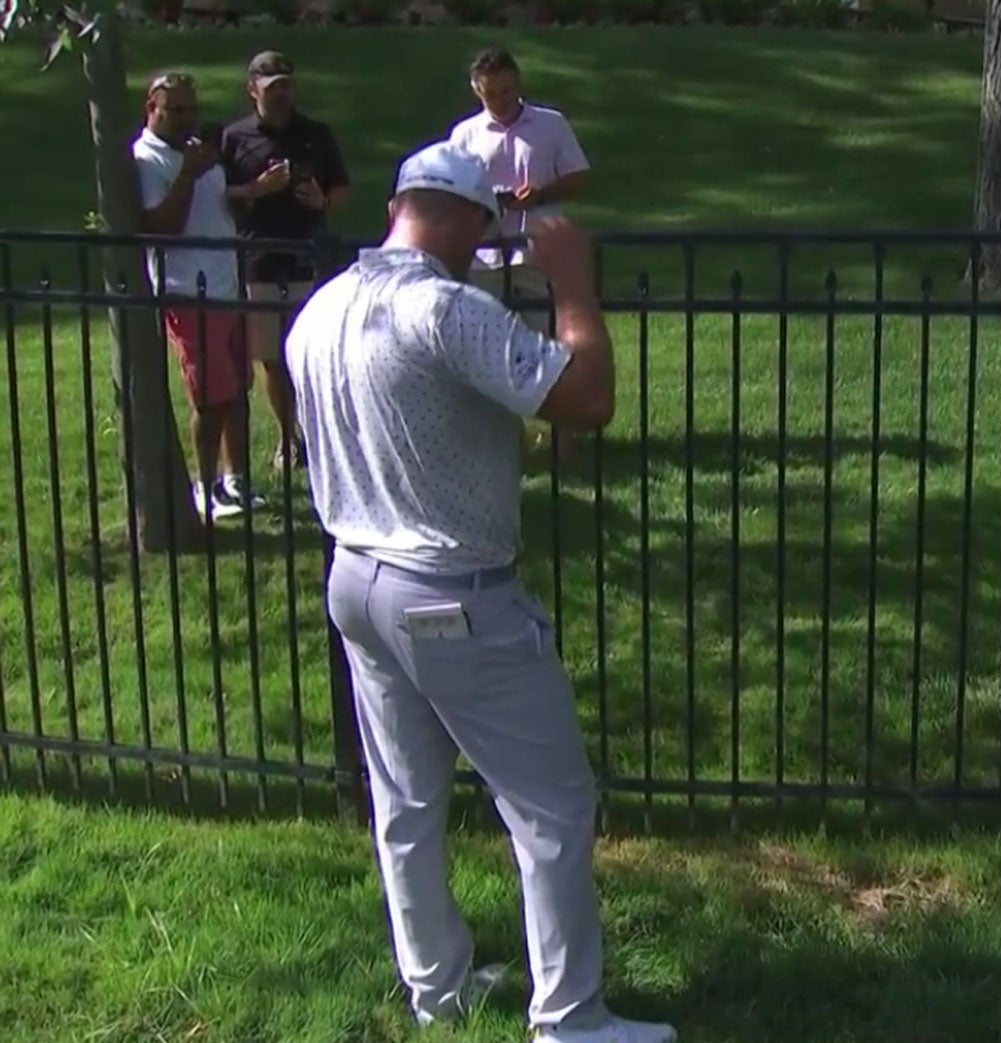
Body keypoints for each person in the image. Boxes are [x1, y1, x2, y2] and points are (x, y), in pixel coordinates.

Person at [287, 140, 674, 1043]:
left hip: (356, 577)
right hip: (451, 593)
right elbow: (587, 397)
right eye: (483, 229)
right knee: (551, 804)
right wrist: (572, 281)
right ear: (456, 217)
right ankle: (571, 1019)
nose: (483, 248)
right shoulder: (440, 308)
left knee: (407, 801)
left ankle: (438, 989)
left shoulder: (321, 310)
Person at [449, 46, 594, 466]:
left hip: (537, 250)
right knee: (488, 349)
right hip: (485, 255)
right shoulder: (465, 135)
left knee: (551, 345)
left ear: (519, 84)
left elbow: (579, 177)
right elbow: (454, 192)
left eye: (507, 91)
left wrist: (542, 194)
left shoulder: (550, 125)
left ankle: (563, 442)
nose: (499, 100)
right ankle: (502, 442)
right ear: (477, 91)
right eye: (490, 93)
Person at [133, 70, 267, 522]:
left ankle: (237, 481)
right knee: (210, 398)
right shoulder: (146, 160)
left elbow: (215, 207)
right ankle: (205, 487)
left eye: (192, 110)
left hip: (228, 286)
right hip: (188, 291)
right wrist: (189, 174)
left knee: (237, 390)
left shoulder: (195, 154)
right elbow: (163, 228)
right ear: (151, 110)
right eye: (175, 111)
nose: (187, 119)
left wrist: (250, 191)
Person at [220, 49, 351, 473]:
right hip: (258, 254)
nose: (282, 95)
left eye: (287, 86)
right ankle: (286, 437)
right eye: (272, 87)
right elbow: (221, 195)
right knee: (270, 354)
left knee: (311, 349)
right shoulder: (234, 138)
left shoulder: (315, 133)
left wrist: (322, 199)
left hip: (307, 251)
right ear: (252, 89)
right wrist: (256, 190)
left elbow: (342, 189)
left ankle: (318, 435)